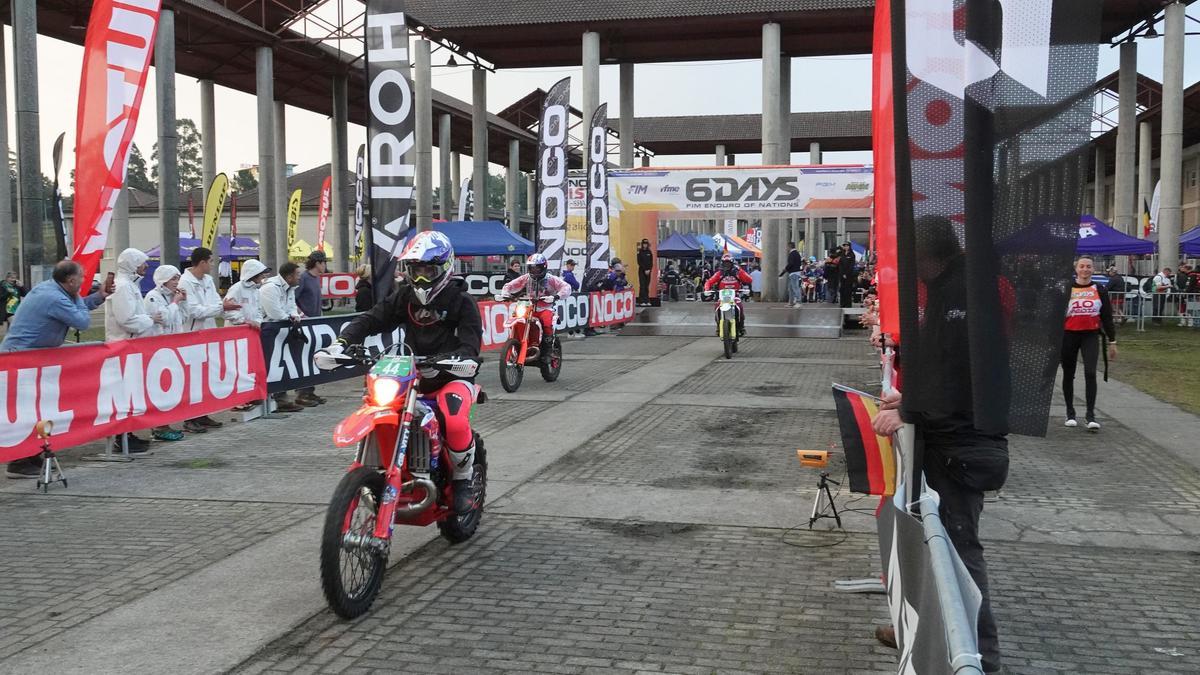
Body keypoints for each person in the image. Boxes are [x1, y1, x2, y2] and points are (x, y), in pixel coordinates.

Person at [871, 215, 1008, 674]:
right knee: (933, 545)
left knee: (960, 557)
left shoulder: (965, 293)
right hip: (945, 439)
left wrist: (909, 409)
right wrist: (910, 399)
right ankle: (922, 629)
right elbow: (940, 368)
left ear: (924, 257)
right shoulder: (948, 289)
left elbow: (957, 374)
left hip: (961, 448)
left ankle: (981, 660)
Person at [318, 231, 483, 514]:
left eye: (427, 270)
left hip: (451, 376)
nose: (420, 277)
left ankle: (463, 481)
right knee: (375, 403)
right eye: (414, 270)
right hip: (410, 375)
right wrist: (343, 342)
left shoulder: (461, 301)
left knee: (454, 422)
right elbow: (373, 319)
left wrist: (456, 360)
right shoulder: (404, 296)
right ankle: (375, 470)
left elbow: (470, 345)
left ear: (443, 267)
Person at [3, 260, 113, 478]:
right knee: (26, 409)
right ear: (71, 281)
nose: (83, 281)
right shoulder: (53, 297)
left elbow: (75, 308)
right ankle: (18, 462)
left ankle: (29, 453)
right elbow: (82, 321)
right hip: (22, 358)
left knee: (35, 409)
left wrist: (98, 297)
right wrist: (80, 298)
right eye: (81, 278)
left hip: (29, 357)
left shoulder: (53, 290)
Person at [178, 247, 241, 433]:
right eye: (211, 261)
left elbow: (215, 305)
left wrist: (221, 307)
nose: (213, 265)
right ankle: (189, 418)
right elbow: (195, 311)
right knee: (192, 379)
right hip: (192, 336)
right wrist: (220, 306)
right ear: (203, 262)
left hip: (209, 334)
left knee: (205, 377)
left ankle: (202, 413)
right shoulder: (185, 282)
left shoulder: (207, 280)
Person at [105, 248, 160, 452]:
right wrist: (150, 320)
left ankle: (128, 433)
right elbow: (127, 319)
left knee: (131, 393)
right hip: (123, 346)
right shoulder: (123, 287)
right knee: (123, 394)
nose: (146, 266)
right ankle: (122, 436)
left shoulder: (130, 285)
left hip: (131, 346)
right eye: (142, 262)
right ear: (133, 264)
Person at [1061, 255, 1117, 431]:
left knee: (1091, 372)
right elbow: (1054, 316)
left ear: (1093, 269)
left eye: (1088, 267)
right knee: (1068, 374)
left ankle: (1090, 415)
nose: (1085, 269)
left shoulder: (1099, 289)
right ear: (1076, 269)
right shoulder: (1067, 288)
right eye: (1082, 266)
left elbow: (1107, 316)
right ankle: (1070, 413)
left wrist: (1112, 341)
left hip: (1090, 335)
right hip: (1068, 335)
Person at [144, 264, 187, 441]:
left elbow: (183, 318)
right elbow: (164, 319)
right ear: (164, 281)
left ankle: (165, 424)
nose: (177, 282)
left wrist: (182, 302)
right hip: (158, 349)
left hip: (172, 347)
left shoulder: (171, 298)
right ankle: (159, 427)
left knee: (171, 388)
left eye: (178, 278)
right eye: (174, 279)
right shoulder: (153, 296)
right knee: (159, 389)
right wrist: (175, 303)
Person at [502, 253, 573, 354]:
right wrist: (505, 294)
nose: (534, 270)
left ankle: (548, 351)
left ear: (543, 267)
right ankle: (516, 344)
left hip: (545, 308)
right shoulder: (526, 278)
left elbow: (566, 287)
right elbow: (510, 285)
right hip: (528, 307)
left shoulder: (551, 279)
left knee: (547, 323)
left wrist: (556, 296)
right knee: (516, 319)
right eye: (532, 268)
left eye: (537, 268)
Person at [260, 262, 306, 413]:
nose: (300, 277)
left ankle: (282, 397)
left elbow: (291, 306)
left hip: (282, 330)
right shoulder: (270, 288)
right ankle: (273, 399)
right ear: (289, 276)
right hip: (268, 331)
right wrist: (291, 317)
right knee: (272, 363)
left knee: (284, 363)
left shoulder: (291, 287)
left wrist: (294, 315)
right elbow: (274, 312)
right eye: (297, 274)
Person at [294, 251, 328, 407]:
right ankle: (302, 392)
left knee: (313, 358)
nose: (325, 266)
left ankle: (310, 390)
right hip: (305, 324)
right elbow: (292, 299)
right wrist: (301, 315)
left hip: (315, 323)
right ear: (317, 263)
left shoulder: (316, 279)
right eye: (324, 262)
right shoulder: (304, 279)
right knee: (304, 358)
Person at [703, 254, 753, 336]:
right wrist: (707, 290)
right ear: (722, 263)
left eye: (729, 263)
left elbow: (749, 279)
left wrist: (740, 270)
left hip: (735, 296)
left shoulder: (737, 272)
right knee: (717, 307)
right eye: (725, 263)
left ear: (732, 263)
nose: (727, 265)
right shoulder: (719, 273)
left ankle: (741, 326)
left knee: (740, 306)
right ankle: (719, 327)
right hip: (722, 297)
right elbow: (709, 282)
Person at [224, 259, 270, 329]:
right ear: (254, 274)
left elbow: (259, 310)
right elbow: (228, 310)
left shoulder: (256, 291)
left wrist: (257, 322)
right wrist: (244, 321)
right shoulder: (236, 288)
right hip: (235, 330)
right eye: (261, 275)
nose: (263, 277)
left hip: (252, 330)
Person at [780, 241, 804, 307]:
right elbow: (798, 264)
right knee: (790, 288)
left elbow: (791, 263)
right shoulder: (797, 253)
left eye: (787, 246)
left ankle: (799, 302)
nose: (787, 248)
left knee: (795, 287)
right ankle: (791, 302)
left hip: (793, 273)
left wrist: (786, 269)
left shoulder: (792, 254)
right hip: (795, 272)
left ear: (790, 246)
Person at [838, 242, 857, 308]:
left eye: (847, 246)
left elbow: (851, 265)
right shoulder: (842, 254)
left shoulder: (852, 254)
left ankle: (848, 304)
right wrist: (842, 273)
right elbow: (840, 264)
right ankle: (842, 303)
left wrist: (846, 273)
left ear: (849, 247)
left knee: (848, 290)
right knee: (842, 289)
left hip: (849, 275)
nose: (846, 247)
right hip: (842, 275)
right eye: (845, 246)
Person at [636, 239, 654, 306]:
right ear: (642, 244)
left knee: (646, 286)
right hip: (642, 271)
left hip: (648, 271)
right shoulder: (640, 252)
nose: (645, 245)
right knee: (642, 286)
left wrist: (649, 269)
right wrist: (645, 269)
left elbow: (651, 262)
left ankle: (647, 300)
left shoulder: (649, 252)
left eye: (646, 244)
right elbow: (639, 262)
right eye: (644, 244)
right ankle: (641, 301)